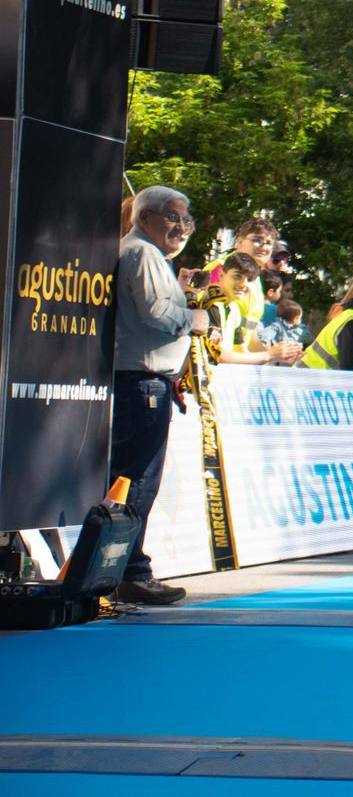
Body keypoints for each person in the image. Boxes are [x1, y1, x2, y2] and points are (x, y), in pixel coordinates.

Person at [111, 185, 211, 606]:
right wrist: (194, 318)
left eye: (186, 219)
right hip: (143, 381)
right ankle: (129, 571)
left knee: (135, 479)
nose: (181, 226)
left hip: (145, 381)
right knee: (137, 480)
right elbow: (154, 312)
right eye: (173, 217)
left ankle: (122, 567)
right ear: (144, 216)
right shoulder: (142, 254)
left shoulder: (148, 256)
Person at [200, 252, 302, 365]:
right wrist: (269, 355)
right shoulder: (212, 305)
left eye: (249, 280)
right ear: (221, 275)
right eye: (237, 276)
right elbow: (217, 355)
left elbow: (241, 352)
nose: (243, 284)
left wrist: (279, 356)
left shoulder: (233, 309)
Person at [205, 217, 279, 329]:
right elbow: (208, 312)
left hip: (237, 345)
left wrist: (268, 348)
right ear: (239, 242)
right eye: (257, 240)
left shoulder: (254, 277)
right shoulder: (220, 268)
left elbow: (249, 329)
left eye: (268, 243)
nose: (264, 247)